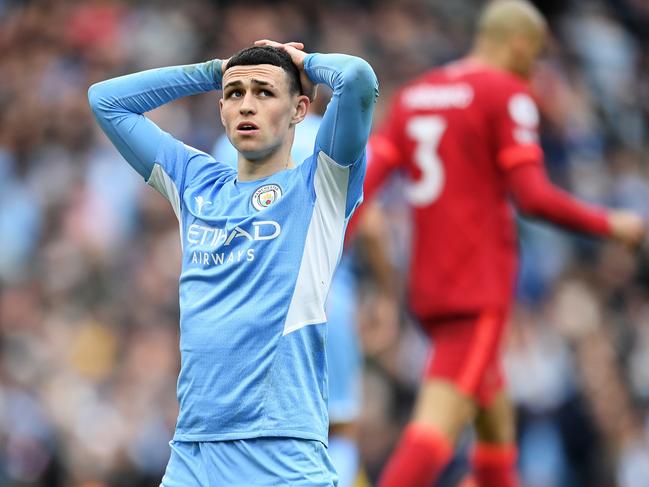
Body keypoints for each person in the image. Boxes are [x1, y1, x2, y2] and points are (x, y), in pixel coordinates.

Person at [355, 2, 645, 486]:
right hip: (477, 291)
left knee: (496, 431)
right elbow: (531, 196)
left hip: (428, 291)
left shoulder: (415, 96)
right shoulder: (505, 92)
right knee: (431, 434)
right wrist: (609, 223)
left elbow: (360, 187)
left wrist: (338, 266)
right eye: (535, 53)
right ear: (519, 45)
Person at [88, 39, 378, 486]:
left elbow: (358, 78)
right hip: (193, 454)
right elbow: (106, 102)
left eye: (264, 93)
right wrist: (214, 70)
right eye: (235, 94)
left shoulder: (320, 183)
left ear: (299, 110)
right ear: (220, 108)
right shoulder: (195, 182)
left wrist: (303, 63)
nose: (247, 105)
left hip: (281, 452)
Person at [211, 95, 363, 487]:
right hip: (326, 300)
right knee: (335, 427)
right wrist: (384, 291)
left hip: (243, 307)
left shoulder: (225, 145)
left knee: (242, 431)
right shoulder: (337, 138)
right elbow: (372, 223)